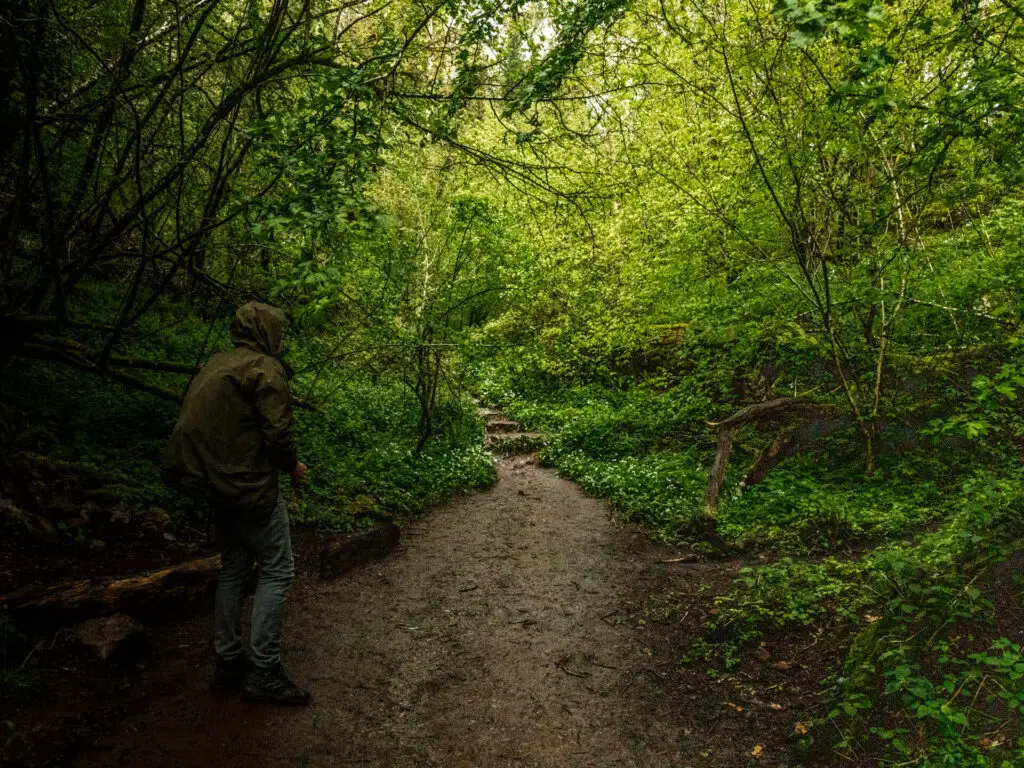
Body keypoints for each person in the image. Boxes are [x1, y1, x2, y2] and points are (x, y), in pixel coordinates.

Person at [163, 301, 310, 706]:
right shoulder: (264, 368)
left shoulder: (218, 362)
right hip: (246, 485)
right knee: (278, 569)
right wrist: (292, 467)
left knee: (233, 568)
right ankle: (264, 671)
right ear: (266, 332)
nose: (281, 338)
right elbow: (278, 431)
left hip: (210, 482)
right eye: (278, 330)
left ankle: (228, 660)